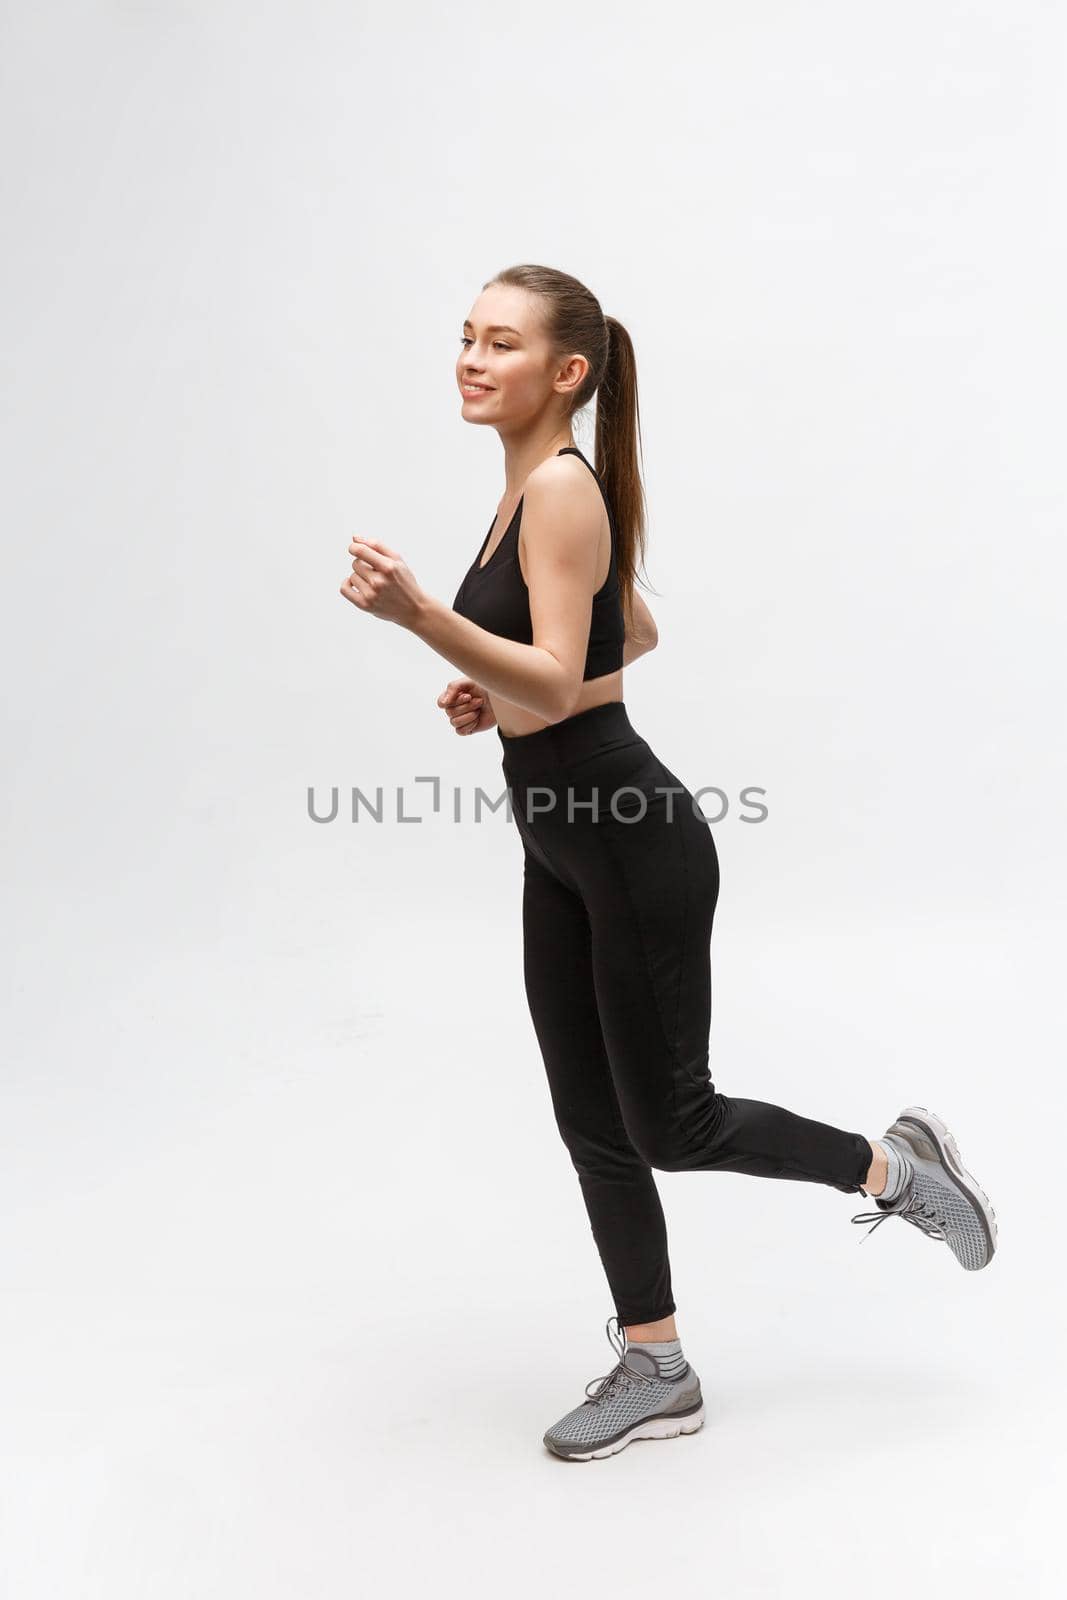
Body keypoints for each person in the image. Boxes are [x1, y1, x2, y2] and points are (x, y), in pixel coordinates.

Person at [339, 262, 998, 1464]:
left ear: (566, 371)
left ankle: (893, 1167)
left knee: (672, 1123)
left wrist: (428, 619)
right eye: (465, 337)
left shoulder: (560, 492)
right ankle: (656, 1365)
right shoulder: (527, 490)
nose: (471, 359)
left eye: (500, 343)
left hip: (627, 838)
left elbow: (557, 667)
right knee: (590, 1119)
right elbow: (621, 632)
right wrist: (501, 690)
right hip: (559, 840)